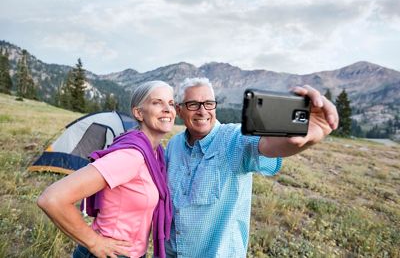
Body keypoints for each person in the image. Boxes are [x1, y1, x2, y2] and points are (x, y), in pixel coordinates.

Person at [164, 77, 339, 257]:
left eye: (209, 103)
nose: (202, 111)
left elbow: (268, 145)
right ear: (179, 110)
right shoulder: (174, 145)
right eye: (193, 104)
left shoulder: (232, 139)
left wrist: (298, 138)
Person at [37, 80, 176, 258]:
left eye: (171, 103)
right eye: (157, 102)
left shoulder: (155, 155)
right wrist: (94, 242)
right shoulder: (131, 156)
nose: (167, 109)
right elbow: (52, 198)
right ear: (139, 113)